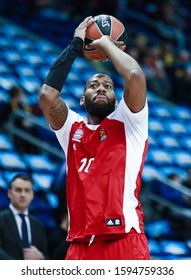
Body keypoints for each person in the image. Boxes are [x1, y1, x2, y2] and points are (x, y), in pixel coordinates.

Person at [39, 16, 150, 260]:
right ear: (82, 99)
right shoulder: (71, 130)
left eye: (108, 86)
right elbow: (47, 95)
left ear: (116, 100)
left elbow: (133, 75)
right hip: (79, 245)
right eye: (93, 85)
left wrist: (104, 41)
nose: (100, 88)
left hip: (124, 240)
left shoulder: (130, 122)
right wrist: (76, 45)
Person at [0, 173, 49, 260]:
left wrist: (41, 257)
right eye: (18, 190)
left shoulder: (38, 225)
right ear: (9, 193)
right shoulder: (2, 219)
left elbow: (46, 256)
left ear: (32, 195)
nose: (23, 195)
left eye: (27, 190)